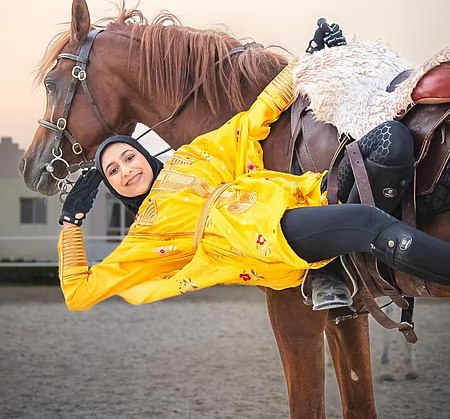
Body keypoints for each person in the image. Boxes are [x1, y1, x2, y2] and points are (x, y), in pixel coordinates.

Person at [58, 58, 450, 312]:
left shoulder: (193, 157)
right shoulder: (145, 237)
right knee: (366, 221)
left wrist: (305, 63)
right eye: (113, 171)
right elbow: (78, 293)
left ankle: (342, 260)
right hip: (270, 237)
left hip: (306, 194)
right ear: (111, 186)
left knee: (392, 141)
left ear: (142, 153)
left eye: (128, 157)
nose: (126, 171)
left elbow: (252, 119)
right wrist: (71, 223)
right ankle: (369, 244)